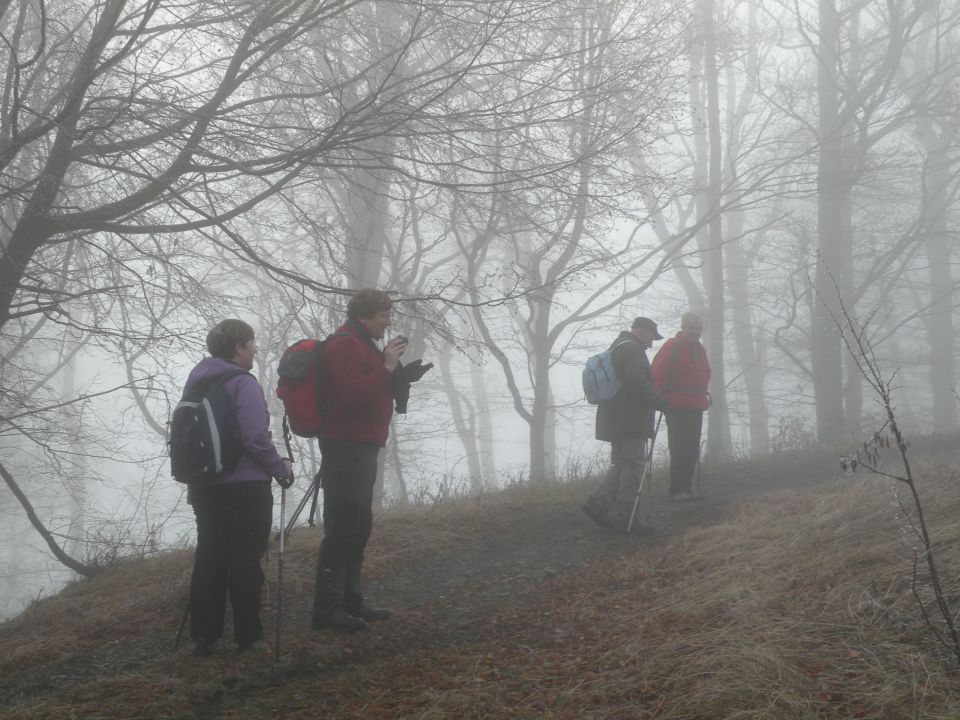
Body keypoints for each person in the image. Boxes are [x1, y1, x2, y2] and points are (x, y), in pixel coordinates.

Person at [310, 288, 432, 633]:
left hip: (361, 445)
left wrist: (399, 375)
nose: (387, 321)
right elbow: (352, 395)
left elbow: (371, 385)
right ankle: (327, 610)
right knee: (343, 527)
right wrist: (388, 365)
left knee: (358, 525)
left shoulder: (362, 342)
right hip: (345, 445)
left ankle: (352, 602)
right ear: (364, 315)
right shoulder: (344, 343)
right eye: (383, 315)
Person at [185, 319, 293, 658]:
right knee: (246, 560)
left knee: (210, 556)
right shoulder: (242, 383)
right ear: (238, 348)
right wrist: (280, 468)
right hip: (246, 486)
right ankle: (248, 636)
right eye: (251, 343)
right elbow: (255, 438)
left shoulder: (196, 381)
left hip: (203, 485)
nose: (254, 349)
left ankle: (204, 636)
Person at [581, 316, 666, 532]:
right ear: (642, 331)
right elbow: (636, 381)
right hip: (630, 420)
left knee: (622, 464)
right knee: (633, 466)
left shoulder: (618, 347)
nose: (651, 343)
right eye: (651, 337)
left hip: (615, 419)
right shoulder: (632, 350)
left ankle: (599, 504)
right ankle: (626, 517)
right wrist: (659, 402)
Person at [651, 311, 711, 502]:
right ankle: (677, 490)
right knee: (679, 448)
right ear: (683, 327)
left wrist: (703, 393)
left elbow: (705, 373)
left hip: (695, 404)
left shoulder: (700, 349)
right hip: (676, 405)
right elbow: (657, 373)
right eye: (691, 328)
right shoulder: (672, 346)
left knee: (692, 447)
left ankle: (686, 487)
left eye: (698, 328)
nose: (695, 332)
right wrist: (660, 399)